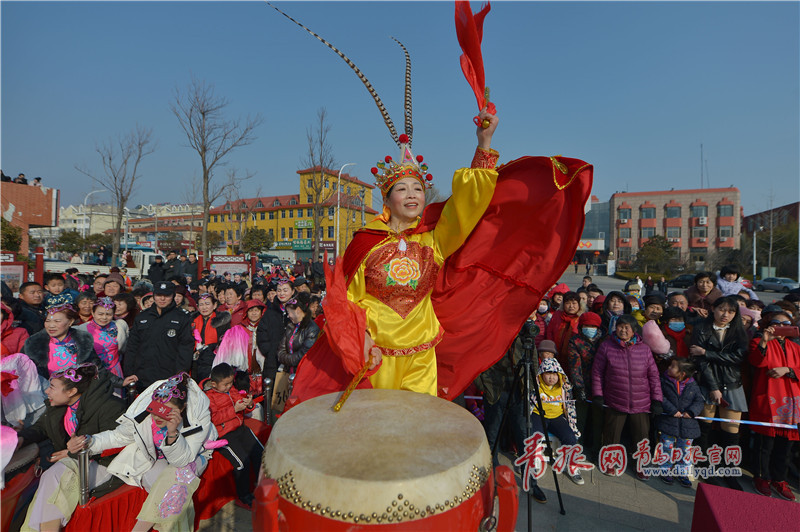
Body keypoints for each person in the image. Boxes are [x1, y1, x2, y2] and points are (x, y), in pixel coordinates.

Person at [84, 373, 216, 531]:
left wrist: (173, 434)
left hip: (193, 455)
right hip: (157, 457)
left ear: (182, 408)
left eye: (167, 411)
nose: (158, 416)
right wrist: (88, 442)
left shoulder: (197, 416)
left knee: (178, 479)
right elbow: (117, 436)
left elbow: (183, 460)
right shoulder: (144, 414)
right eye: (155, 409)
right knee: (162, 486)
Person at [19, 363, 125, 531]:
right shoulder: (60, 408)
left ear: (71, 391)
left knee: (56, 475)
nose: (47, 391)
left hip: (107, 466)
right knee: (53, 476)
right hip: (73, 464)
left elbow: (120, 444)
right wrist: (19, 439)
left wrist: (74, 454)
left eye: (52, 387)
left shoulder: (109, 407)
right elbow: (41, 428)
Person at [474, 318, 547, 503]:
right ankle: (493, 480)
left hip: (519, 392)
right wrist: (484, 385)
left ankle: (531, 482)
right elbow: (476, 360)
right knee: (492, 436)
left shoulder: (524, 332)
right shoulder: (490, 329)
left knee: (525, 436)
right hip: (496, 391)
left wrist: (530, 387)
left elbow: (533, 361)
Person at [688, 295, 749, 490]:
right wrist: (713, 387)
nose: (726, 314)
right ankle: (704, 467)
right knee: (704, 428)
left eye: (731, 311)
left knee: (731, 432)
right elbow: (700, 363)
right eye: (722, 309)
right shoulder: (701, 328)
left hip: (732, 384)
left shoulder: (739, 331)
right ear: (713, 309)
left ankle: (729, 470)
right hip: (707, 384)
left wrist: (707, 353)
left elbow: (738, 357)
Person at [592, 315, 662, 480]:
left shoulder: (644, 349)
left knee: (641, 435)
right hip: (615, 399)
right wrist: (598, 394)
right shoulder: (606, 346)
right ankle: (609, 461)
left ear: (634, 330)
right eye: (620, 326)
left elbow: (653, 376)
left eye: (627, 327)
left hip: (641, 401)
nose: (623, 330)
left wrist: (657, 399)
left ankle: (641, 465)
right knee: (611, 434)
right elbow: (597, 373)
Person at [748, 308, 799, 501]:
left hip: (791, 403)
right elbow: (756, 360)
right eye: (777, 323)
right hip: (768, 399)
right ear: (769, 325)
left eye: (786, 324)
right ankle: (761, 477)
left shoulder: (796, 348)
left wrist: (788, 370)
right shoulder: (758, 342)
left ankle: (780, 480)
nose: (781, 327)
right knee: (764, 445)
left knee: (785, 447)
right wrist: (764, 341)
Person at [202, 363, 262, 509]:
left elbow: (242, 403)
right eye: (225, 384)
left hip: (240, 428)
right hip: (223, 435)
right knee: (242, 463)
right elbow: (213, 418)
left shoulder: (231, 389)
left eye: (231, 383)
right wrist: (233, 410)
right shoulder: (208, 398)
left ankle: (261, 486)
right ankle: (243, 496)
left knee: (260, 452)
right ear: (214, 384)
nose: (229, 387)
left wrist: (249, 404)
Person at [22, 303, 124, 388]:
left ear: (70, 322)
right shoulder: (34, 344)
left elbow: (96, 369)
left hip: (79, 395)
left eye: (57, 321)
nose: (51, 325)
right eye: (48, 321)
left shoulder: (82, 341)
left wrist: (120, 382)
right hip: (48, 395)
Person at [124, 281, 194, 392]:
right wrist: (129, 373)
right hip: (142, 377)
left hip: (168, 378)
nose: (162, 299)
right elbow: (132, 347)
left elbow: (185, 348)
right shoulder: (142, 317)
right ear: (154, 296)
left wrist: (180, 375)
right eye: (159, 295)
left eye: (166, 296)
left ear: (173, 296)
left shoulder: (182, 318)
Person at [529, 357, 584, 485]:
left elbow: (570, 406)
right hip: (538, 415)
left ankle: (571, 465)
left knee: (570, 437)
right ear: (542, 374)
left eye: (554, 374)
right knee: (534, 435)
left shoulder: (563, 388)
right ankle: (535, 461)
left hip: (557, 417)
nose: (551, 377)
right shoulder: (535, 385)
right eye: (548, 373)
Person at [655, 358, 704, 487]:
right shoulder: (664, 381)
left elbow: (699, 401)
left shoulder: (693, 385)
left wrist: (692, 412)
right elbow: (660, 396)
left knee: (686, 450)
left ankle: (682, 472)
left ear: (682, 374)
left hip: (687, 424)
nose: (669, 368)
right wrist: (671, 410)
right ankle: (665, 469)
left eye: (673, 367)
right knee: (667, 446)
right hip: (669, 421)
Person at [566, 311, 604, 460]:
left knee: (598, 421)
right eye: (586, 326)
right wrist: (579, 387)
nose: (590, 328)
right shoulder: (575, 341)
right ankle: (576, 448)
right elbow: (575, 366)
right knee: (579, 420)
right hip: (582, 385)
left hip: (600, 387)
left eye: (593, 326)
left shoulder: (604, 341)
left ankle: (596, 450)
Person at [76, 297, 130, 393]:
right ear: (93, 313)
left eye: (108, 314)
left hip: (115, 370)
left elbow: (123, 349)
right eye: (100, 314)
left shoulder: (119, 326)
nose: (104, 317)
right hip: (93, 372)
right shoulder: (82, 329)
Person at [276, 292, 321, 372]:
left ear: (297, 310)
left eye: (289, 312)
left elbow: (304, 354)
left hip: (304, 372)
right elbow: (280, 351)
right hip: (288, 372)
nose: (288, 316)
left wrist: (287, 359)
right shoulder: (290, 326)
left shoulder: (312, 328)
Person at [191, 294, 231, 381]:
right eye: (201, 305)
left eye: (207, 304)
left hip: (214, 359)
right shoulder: (192, 321)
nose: (204, 307)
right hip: (195, 361)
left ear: (214, 305)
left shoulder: (221, 321)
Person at [545, 291, 581, 369]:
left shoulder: (581, 318)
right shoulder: (557, 315)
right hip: (556, 353)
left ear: (579, 305)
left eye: (574, 303)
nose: (571, 306)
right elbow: (550, 331)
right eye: (568, 303)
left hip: (574, 356)